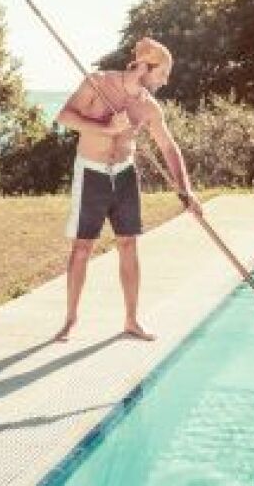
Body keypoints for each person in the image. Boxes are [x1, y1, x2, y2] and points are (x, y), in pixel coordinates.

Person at [52, 36, 203, 342]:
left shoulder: (148, 107)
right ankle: (70, 319)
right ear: (145, 67)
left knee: (128, 245)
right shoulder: (97, 83)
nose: (165, 81)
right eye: (162, 73)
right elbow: (65, 116)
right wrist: (107, 128)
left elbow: (168, 147)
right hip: (91, 172)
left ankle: (131, 320)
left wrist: (186, 189)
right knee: (82, 248)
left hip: (124, 174)